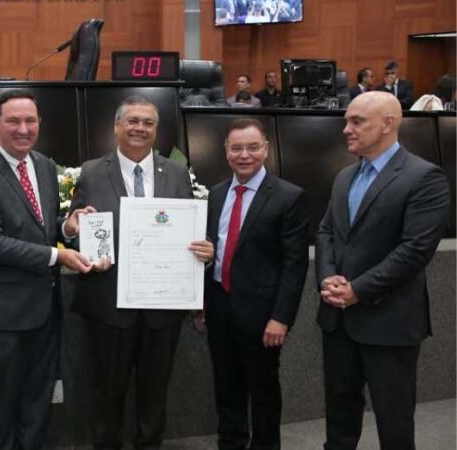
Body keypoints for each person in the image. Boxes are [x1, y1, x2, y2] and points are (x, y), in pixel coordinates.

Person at [65, 95, 214, 450]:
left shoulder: (177, 171)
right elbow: (73, 223)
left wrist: (205, 247)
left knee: (155, 393)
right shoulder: (91, 170)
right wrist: (71, 227)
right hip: (107, 305)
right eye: (132, 121)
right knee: (106, 394)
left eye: (148, 123)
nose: (140, 128)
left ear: (156, 130)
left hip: (162, 309)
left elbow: (186, 227)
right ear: (116, 126)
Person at [0, 89, 93, 450]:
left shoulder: (44, 165)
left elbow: (43, 227)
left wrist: (68, 228)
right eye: (13, 121)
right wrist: (56, 256)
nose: (23, 129)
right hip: (1, 318)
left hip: (44, 312)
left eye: (30, 120)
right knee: (2, 407)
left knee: (38, 402)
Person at [316, 91, 450, 450]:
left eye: (357, 121)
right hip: (338, 319)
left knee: (394, 421)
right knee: (339, 415)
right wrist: (328, 277)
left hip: (390, 322)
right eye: (347, 120)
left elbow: (415, 250)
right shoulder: (344, 176)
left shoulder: (425, 178)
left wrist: (358, 289)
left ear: (389, 124)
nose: (346, 129)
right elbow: (327, 231)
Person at [194, 118, 308, 450]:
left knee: (263, 391)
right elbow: (212, 252)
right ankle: (231, 443)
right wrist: (199, 304)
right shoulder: (215, 194)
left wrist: (281, 318)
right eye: (236, 148)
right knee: (226, 387)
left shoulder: (288, 197)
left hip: (263, 316)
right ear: (226, 152)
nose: (245, 154)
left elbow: (294, 264)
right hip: (219, 307)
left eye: (252, 147)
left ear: (266, 150)